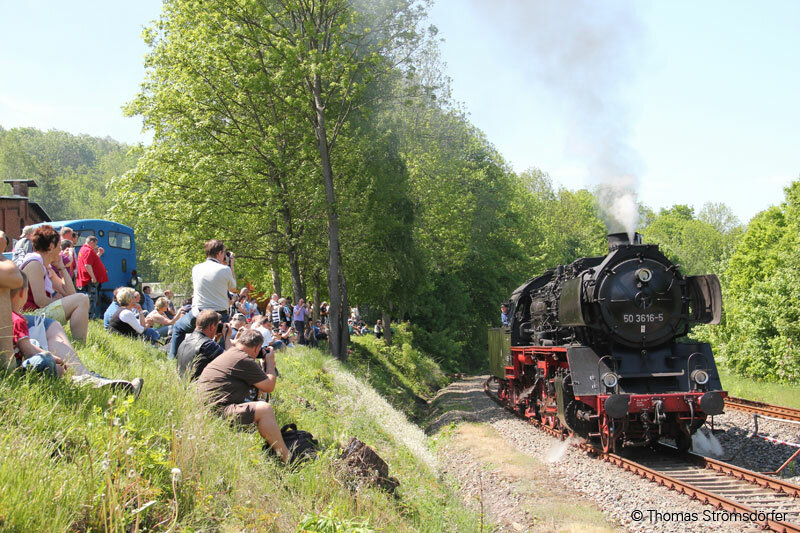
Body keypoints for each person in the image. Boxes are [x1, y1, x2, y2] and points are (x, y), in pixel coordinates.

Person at [12, 271, 144, 397]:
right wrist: (51, 358)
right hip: (25, 363)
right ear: (23, 293)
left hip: (21, 361)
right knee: (48, 363)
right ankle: (85, 379)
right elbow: (28, 348)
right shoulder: (17, 319)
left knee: (53, 359)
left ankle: (83, 378)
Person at [197, 329, 290, 462]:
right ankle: (286, 457)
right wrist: (269, 362)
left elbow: (259, 390)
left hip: (206, 410)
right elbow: (269, 387)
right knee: (264, 409)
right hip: (216, 412)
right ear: (257, 348)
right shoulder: (243, 359)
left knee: (259, 404)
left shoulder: (232, 354)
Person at [20, 225, 90, 343]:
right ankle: (80, 343)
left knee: (80, 299)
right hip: (32, 317)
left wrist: (62, 268)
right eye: (59, 245)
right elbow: (40, 301)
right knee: (82, 299)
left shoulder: (45, 267)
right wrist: (58, 301)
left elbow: (70, 294)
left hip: (37, 314)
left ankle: (79, 342)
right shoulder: (35, 264)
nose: (61, 250)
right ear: (51, 246)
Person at [169, 240, 236, 359]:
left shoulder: (196, 268)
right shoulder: (225, 270)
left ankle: (173, 358)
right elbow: (233, 287)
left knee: (178, 327)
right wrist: (231, 265)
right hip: (219, 316)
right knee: (222, 341)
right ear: (220, 253)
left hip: (198, 315)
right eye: (224, 253)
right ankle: (221, 364)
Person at [177, 309, 230, 379]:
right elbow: (230, 361)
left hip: (184, 385)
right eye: (217, 325)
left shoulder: (185, 341)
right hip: (198, 387)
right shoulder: (207, 344)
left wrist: (216, 340)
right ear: (212, 327)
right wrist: (227, 338)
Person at [76, 235, 108, 319]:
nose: (96, 246)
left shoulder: (83, 249)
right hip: (89, 279)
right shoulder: (88, 250)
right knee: (92, 297)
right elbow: (87, 265)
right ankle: (91, 316)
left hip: (86, 278)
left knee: (90, 297)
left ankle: (89, 315)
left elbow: (92, 261)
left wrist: (99, 254)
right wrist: (93, 277)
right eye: (95, 244)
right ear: (91, 242)